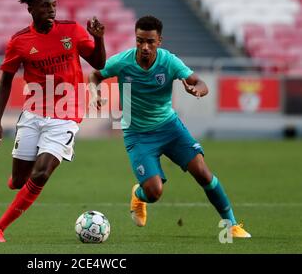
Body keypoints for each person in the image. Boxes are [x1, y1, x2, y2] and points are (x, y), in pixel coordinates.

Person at [88, 15, 251, 238]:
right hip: (138, 134)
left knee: (203, 173)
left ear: (160, 41)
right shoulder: (122, 61)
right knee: (154, 192)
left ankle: (231, 225)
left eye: (150, 42)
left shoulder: (169, 62)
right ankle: (139, 194)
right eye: (139, 41)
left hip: (170, 128)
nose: (144, 47)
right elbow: (95, 75)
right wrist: (95, 92)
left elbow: (199, 82)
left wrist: (197, 91)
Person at [0, 0, 106, 242]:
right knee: (19, 181)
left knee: (41, 173)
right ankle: (17, 180)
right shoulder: (19, 41)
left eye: (53, 5)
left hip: (67, 113)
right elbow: (5, 80)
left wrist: (98, 38)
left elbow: (98, 63)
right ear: (30, 9)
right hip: (34, 111)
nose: (51, 10)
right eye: (44, 6)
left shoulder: (71, 31)